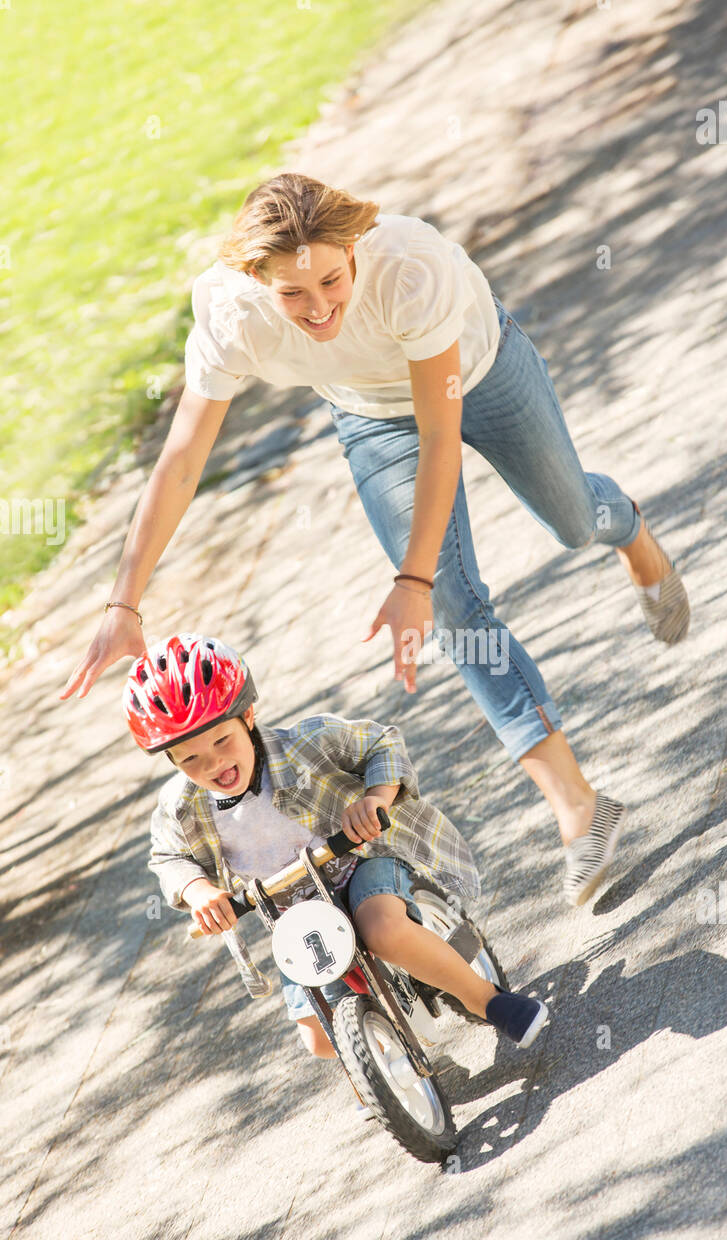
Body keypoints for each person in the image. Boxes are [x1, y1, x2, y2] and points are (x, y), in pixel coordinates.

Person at [65, 173, 690, 907]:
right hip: (369, 414)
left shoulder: (408, 266)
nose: (320, 307)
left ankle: (627, 526)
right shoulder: (230, 311)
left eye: (331, 279)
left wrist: (411, 581)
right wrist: (124, 604)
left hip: (480, 375)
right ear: (254, 278)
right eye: (292, 294)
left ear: (355, 249)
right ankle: (578, 807)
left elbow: (440, 433)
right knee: (457, 612)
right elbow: (180, 463)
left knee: (573, 522)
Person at [129, 633, 549, 1090]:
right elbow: (168, 855)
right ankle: (377, 1058)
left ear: (247, 717)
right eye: (189, 758)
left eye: (222, 741)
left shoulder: (308, 743)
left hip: (357, 866)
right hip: (293, 913)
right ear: (169, 759)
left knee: (382, 929)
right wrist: (199, 890)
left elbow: (381, 744)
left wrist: (374, 799)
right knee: (318, 1036)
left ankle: (488, 1002)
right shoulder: (181, 806)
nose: (213, 764)